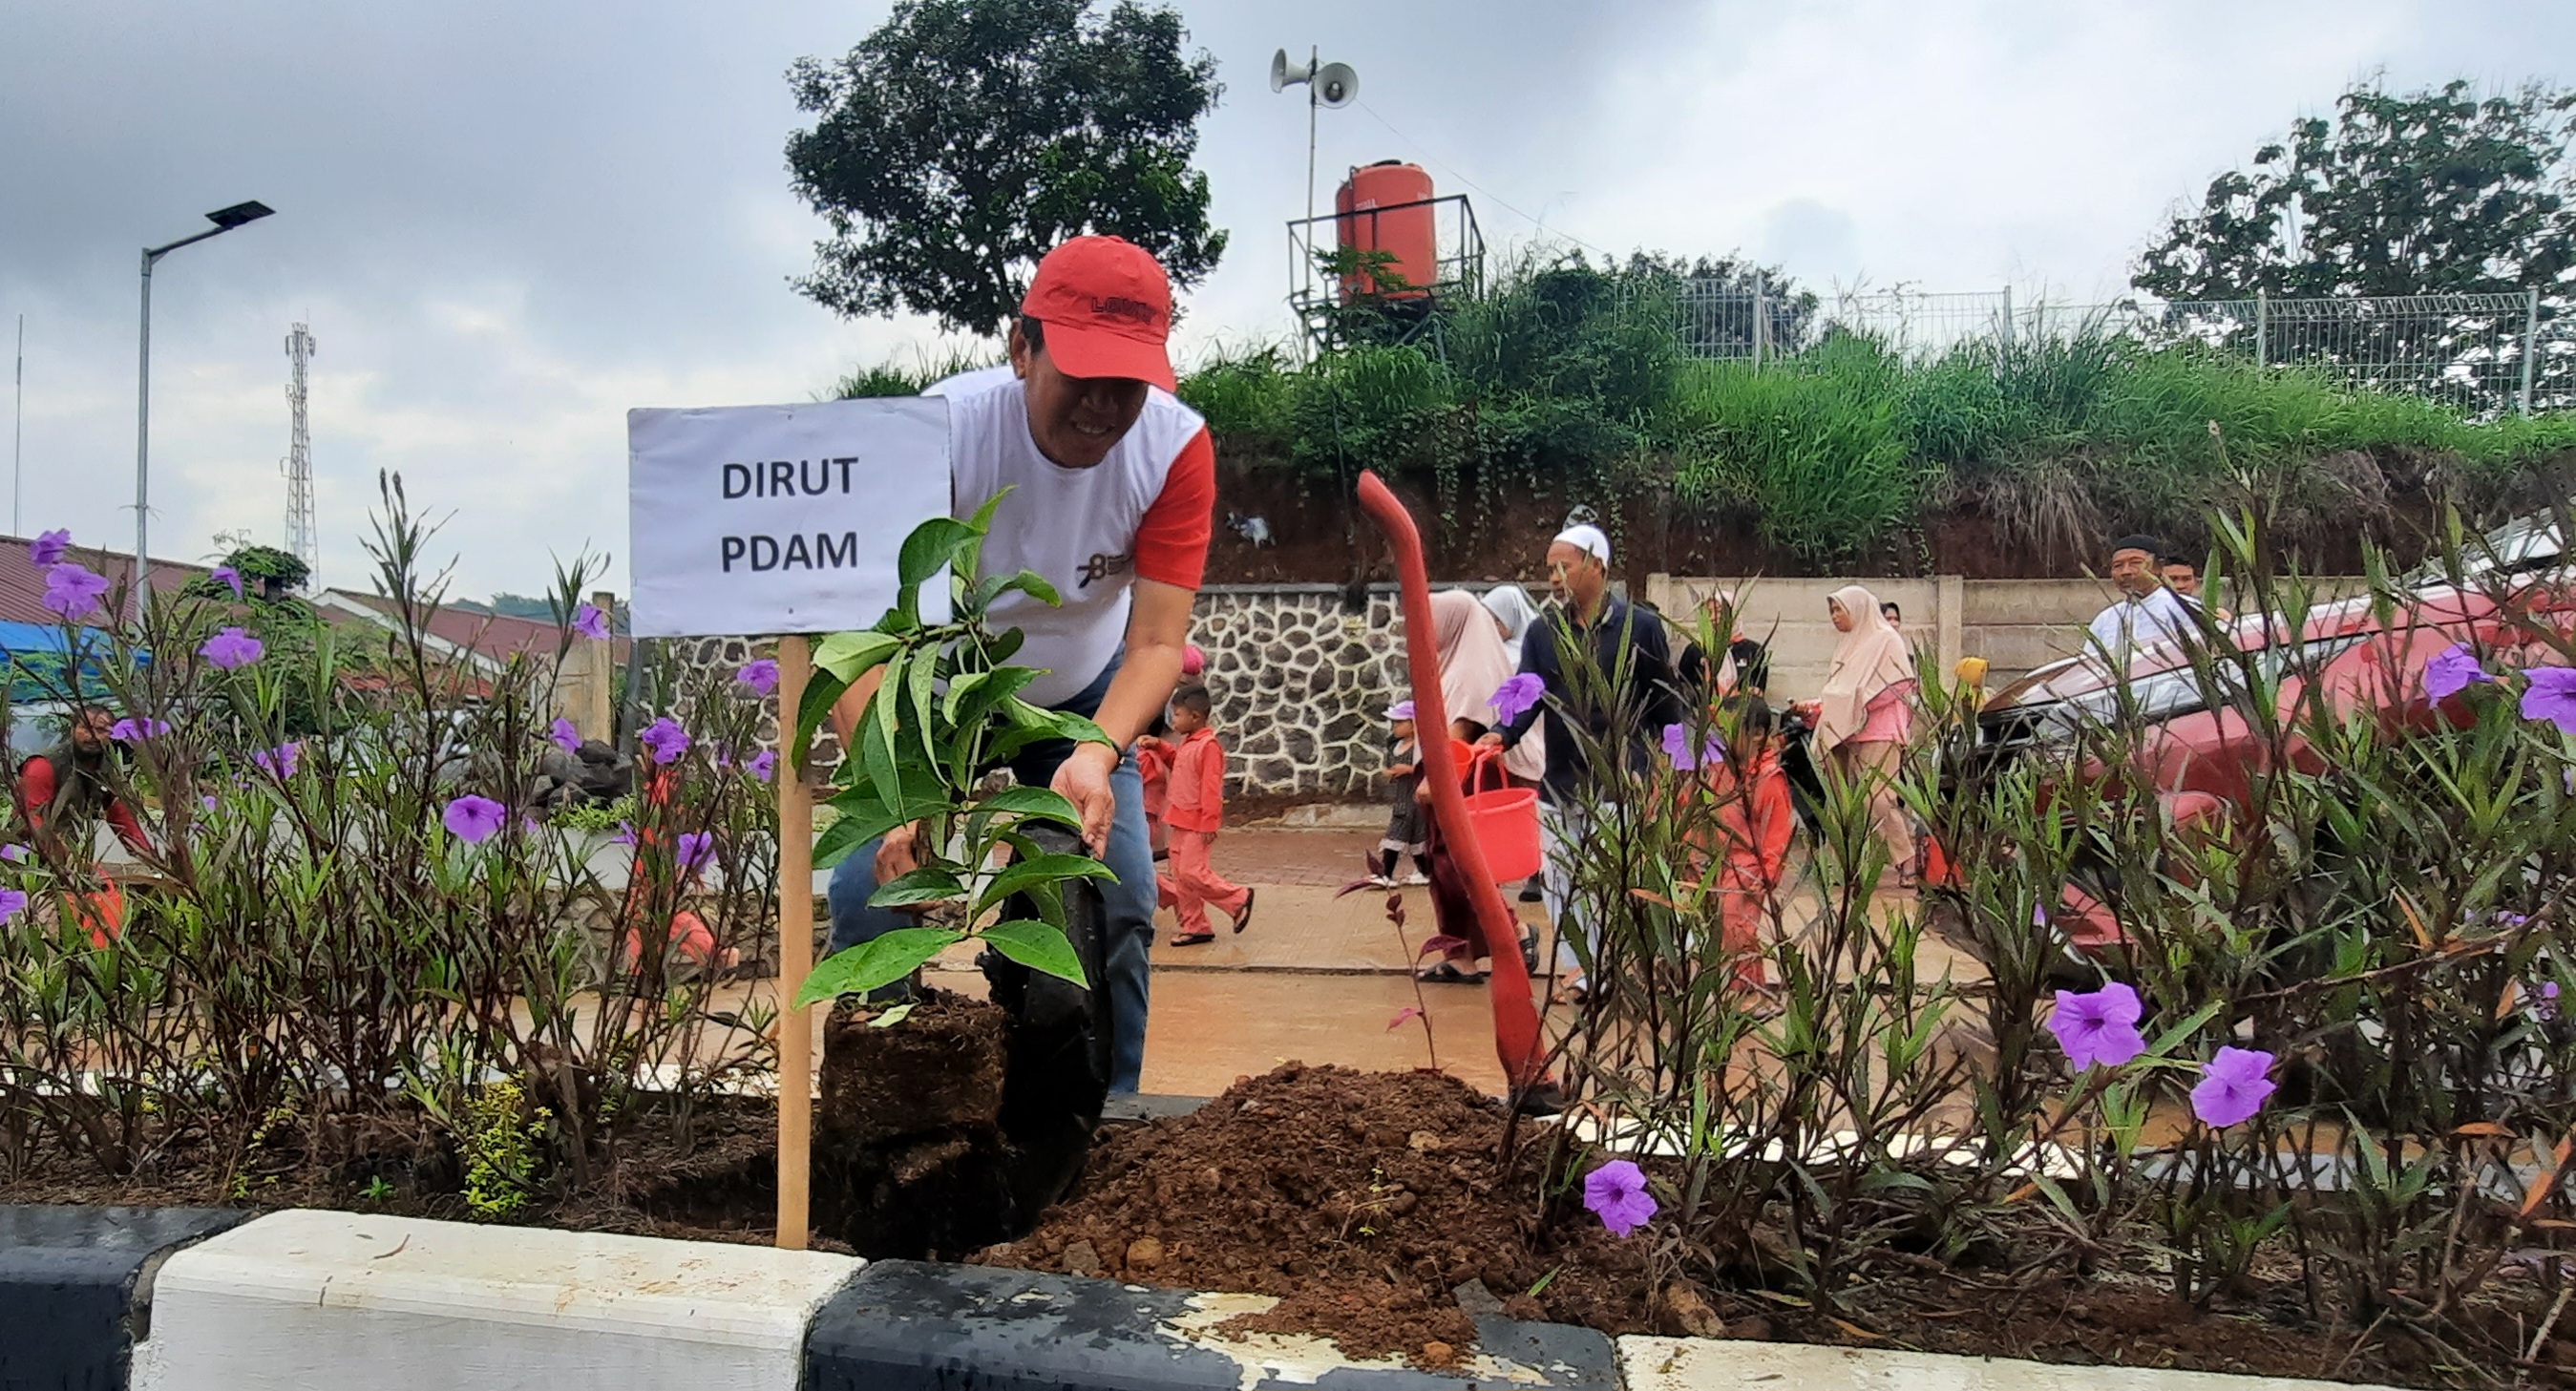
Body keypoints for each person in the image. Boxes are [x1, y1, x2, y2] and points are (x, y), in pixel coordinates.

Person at [826, 234, 1212, 1095]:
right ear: (1021, 349)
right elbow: (857, 629)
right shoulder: (944, 432)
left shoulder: (1173, 449)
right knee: (866, 889)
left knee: (1118, 898)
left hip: (1083, 696)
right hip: (933, 695)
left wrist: (1097, 752)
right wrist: (895, 793)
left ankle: (1106, 1116)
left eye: (1128, 382)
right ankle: (883, 1111)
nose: (1103, 405)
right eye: (1083, 373)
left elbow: (1156, 643)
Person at [1480, 524, 1683, 997]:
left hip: (1620, 782)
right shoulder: (1543, 631)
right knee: (1560, 883)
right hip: (1560, 781)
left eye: (1563, 567)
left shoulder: (1639, 628)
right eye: (1549, 568)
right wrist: (1501, 733)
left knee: (1612, 882)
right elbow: (1528, 691)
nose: (1553, 577)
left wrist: (1674, 764)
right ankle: (1582, 971)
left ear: (1597, 567)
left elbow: (1664, 701)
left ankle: (1638, 961)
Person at [14, 706, 155, 945]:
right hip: (29, 859)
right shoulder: (44, 766)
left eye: (100, 730)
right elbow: (29, 819)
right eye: (85, 728)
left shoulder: (105, 765)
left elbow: (118, 811)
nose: (92, 736)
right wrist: (65, 858)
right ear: (73, 729)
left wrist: (146, 855)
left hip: (70, 859)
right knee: (41, 927)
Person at [1808, 583, 1918, 887]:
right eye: (1831, 610)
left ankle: (1906, 858)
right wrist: (1823, 707)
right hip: (1845, 731)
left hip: (1880, 731)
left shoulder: (1887, 639)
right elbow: (1837, 689)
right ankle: (1842, 866)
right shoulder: (1846, 645)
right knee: (1840, 801)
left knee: (1877, 799)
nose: (1834, 616)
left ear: (1857, 609)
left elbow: (1899, 684)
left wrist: (1853, 703)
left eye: (1839, 609)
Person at [1698, 696, 1795, 996]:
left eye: (1731, 731)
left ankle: (1748, 990)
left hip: (1749, 867)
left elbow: (1777, 832)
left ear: (1757, 734)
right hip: (1720, 863)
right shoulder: (1722, 770)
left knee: (1738, 928)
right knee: (1725, 930)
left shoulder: (1768, 778)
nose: (1723, 739)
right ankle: (1742, 988)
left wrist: (1767, 873)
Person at [1155, 685, 1255, 945]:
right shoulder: (1189, 743)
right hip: (1180, 819)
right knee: (1181, 875)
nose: (1173, 721)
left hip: (1197, 822)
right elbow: (1179, 762)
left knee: (1192, 872)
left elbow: (1211, 788)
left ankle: (1238, 897)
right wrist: (1160, 747)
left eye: (1177, 715)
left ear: (1195, 717)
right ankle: (1195, 926)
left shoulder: (1208, 746)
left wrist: (1210, 822)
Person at [2086, 535, 2196, 669]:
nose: (2125, 571)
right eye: (2118, 566)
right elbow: (2090, 666)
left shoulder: (2184, 607)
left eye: (2135, 563)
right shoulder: (2104, 619)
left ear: (2158, 567)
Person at [1376, 701, 1432, 888]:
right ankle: (1426, 872)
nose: (1395, 727)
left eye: (1400, 722)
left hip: (1415, 799)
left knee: (1397, 834)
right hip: (1402, 797)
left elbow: (1430, 770)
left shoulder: (1421, 747)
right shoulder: (1395, 746)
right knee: (1415, 838)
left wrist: (1409, 770)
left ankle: (1386, 874)